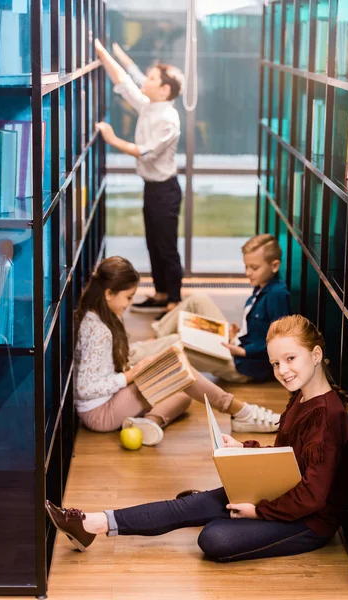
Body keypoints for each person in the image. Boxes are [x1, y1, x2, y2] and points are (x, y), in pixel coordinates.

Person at [47, 314, 348, 562]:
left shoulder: (328, 415)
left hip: (309, 522)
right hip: (278, 494)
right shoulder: (300, 397)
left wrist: (258, 511)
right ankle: (91, 522)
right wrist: (243, 448)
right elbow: (289, 455)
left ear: (315, 355)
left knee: (213, 537)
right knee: (187, 507)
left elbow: (314, 495)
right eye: (275, 363)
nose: (282, 370)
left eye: (290, 358)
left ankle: (224, 514)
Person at [73, 256, 280, 447]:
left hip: (111, 398)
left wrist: (132, 373)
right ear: (108, 294)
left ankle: (148, 422)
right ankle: (241, 412)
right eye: (129, 297)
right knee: (178, 372)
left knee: (183, 394)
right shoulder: (98, 331)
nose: (129, 304)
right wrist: (130, 375)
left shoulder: (103, 314)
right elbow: (83, 389)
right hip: (100, 413)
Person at [148, 234, 290, 431]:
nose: (247, 272)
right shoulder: (262, 286)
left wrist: (244, 351)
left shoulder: (277, 295)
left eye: (254, 268)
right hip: (236, 345)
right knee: (198, 299)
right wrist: (239, 333)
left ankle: (148, 355)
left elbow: (280, 341)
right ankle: (156, 338)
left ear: (274, 266)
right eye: (246, 266)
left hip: (242, 364)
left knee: (178, 350)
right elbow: (260, 328)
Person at [94, 39, 184, 314]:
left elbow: (144, 153)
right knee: (153, 244)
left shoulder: (167, 118)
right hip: (152, 188)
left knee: (166, 247)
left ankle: (174, 303)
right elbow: (125, 80)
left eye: (153, 77)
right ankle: (160, 294)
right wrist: (105, 53)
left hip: (165, 190)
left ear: (165, 89)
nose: (146, 79)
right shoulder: (149, 105)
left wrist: (112, 138)